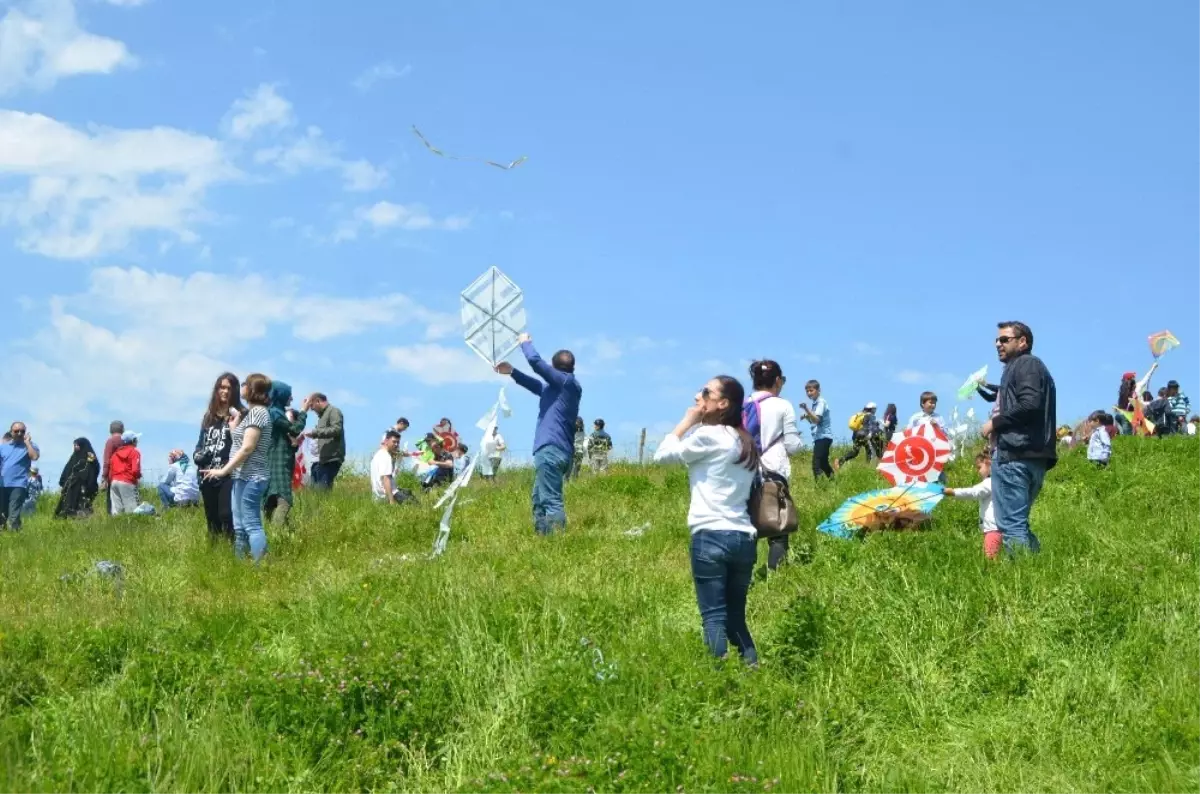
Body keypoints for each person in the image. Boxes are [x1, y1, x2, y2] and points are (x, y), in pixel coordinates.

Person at [653, 375, 759, 666]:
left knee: (713, 617)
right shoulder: (744, 440)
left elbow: (663, 457)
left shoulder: (707, 436)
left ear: (722, 403)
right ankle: (752, 667)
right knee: (736, 617)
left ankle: (719, 679)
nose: (698, 395)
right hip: (743, 537)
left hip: (710, 535)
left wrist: (687, 422)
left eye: (705, 392)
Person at [495, 332, 583, 535]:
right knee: (538, 497)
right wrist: (512, 371)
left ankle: (556, 542)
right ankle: (542, 537)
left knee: (551, 499)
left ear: (553, 369)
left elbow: (535, 362)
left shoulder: (565, 382)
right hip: (557, 451)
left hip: (552, 449)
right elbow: (536, 385)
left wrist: (525, 343)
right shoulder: (559, 389)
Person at [981, 321, 1056, 555]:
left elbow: (1030, 403)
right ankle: (1037, 569)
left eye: (1004, 339)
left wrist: (995, 423)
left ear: (1022, 341)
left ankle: (1023, 578)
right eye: (996, 340)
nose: (998, 344)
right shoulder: (1024, 367)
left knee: (1011, 525)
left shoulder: (1026, 364)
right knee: (1017, 523)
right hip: (1030, 455)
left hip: (1015, 454)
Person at [203, 374, 273, 562]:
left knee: (251, 525)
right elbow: (243, 443)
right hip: (242, 476)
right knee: (240, 527)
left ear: (252, 389)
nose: (240, 387)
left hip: (253, 477)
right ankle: (240, 566)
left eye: (244, 384)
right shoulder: (252, 413)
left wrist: (223, 470)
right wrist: (235, 430)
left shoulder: (258, 412)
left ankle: (261, 567)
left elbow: (248, 448)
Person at [744, 360, 804, 571]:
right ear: (777, 380)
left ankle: (744, 576)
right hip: (772, 469)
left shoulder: (742, 404)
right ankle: (775, 574)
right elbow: (793, 446)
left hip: (743, 470)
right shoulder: (782, 405)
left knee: (745, 524)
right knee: (778, 525)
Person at [194, 373, 243, 543]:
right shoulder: (209, 416)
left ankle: (233, 548)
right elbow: (200, 442)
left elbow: (243, 443)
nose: (225, 391)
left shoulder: (239, 414)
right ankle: (214, 552)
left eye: (229, 388)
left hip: (227, 470)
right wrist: (197, 455)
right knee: (211, 517)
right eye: (222, 387)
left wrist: (235, 426)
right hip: (206, 471)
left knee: (226, 514)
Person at [944, 451, 1001, 559]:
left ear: (989, 463)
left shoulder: (990, 482)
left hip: (993, 528)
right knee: (994, 556)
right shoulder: (998, 481)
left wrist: (953, 492)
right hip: (994, 527)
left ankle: (993, 573)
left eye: (979, 467)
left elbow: (974, 492)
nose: (978, 471)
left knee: (991, 559)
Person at [264, 381, 306, 526]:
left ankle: (275, 534)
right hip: (278, 463)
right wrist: (304, 412)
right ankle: (276, 535)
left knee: (271, 501)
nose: (291, 399)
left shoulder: (275, 411)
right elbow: (294, 429)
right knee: (284, 501)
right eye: (289, 395)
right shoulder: (275, 413)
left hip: (274, 460)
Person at [0, 422, 41, 532]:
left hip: (18, 485)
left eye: (22, 431)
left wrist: (27, 443)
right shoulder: (3, 447)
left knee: (14, 513)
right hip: (2, 484)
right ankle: (3, 535)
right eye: (16, 431)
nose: (19, 433)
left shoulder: (30, 445)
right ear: (11, 432)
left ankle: (15, 534)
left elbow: (34, 457)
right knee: (2, 513)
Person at [301, 393, 345, 489]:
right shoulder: (322, 416)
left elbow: (336, 429)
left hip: (331, 458)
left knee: (322, 491)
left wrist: (315, 433)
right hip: (323, 459)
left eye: (312, 405)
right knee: (317, 491)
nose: (311, 409)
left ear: (318, 401)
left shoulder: (333, 411)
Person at [54, 438, 100, 519]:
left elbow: (92, 470)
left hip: (83, 488)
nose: (75, 447)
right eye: (74, 445)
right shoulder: (74, 457)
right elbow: (67, 470)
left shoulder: (90, 456)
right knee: (67, 507)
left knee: (82, 507)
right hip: (71, 487)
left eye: (77, 445)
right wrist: (64, 481)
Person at [799, 380, 833, 479]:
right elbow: (814, 422)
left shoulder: (820, 402)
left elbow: (817, 419)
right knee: (823, 464)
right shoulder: (815, 404)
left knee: (816, 465)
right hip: (821, 437)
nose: (809, 393)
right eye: (807, 391)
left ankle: (821, 488)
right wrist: (807, 416)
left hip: (823, 437)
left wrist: (806, 409)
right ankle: (833, 481)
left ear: (818, 390)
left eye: (811, 390)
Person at [835, 402, 883, 470]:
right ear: (872, 409)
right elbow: (871, 426)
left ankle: (840, 461)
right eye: (875, 409)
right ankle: (868, 468)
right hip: (864, 435)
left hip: (856, 435)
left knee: (855, 452)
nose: (875, 411)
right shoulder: (870, 415)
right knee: (869, 451)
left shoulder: (860, 414)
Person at [109, 432, 143, 515]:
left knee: (116, 511)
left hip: (114, 482)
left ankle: (116, 527)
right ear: (133, 440)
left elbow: (111, 472)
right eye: (136, 439)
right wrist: (138, 476)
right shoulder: (134, 452)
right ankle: (132, 527)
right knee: (132, 510)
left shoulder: (115, 454)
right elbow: (135, 470)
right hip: (127, 482)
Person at [370, 430, 407, 504]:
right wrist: (391, 501)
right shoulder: (385, 456)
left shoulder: (378, 454)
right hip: (387, 495)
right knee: (415, 506)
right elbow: (386, 479)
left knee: (407, 492)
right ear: (386, 441)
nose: (396, 444)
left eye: (398, 442)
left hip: (378, 497)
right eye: (394, 442)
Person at [99, 420, 124, 516]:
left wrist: (104, 476)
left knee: (111, 501)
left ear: (110, 430)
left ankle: (112, 520)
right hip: (126, 475)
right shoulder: (125, 441)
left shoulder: (111, 441)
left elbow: (107, 460)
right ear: (122, 429)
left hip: (113, 475)